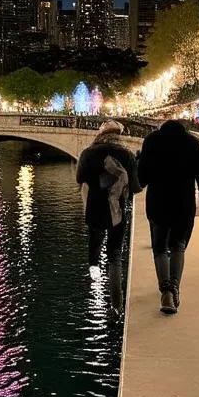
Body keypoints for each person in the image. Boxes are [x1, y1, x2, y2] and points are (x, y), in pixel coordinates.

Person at [137, 119, 199, 315]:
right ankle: (175, 287)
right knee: (178, 245)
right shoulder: (192, 142)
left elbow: (142, 173)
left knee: (160, 247)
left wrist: (140, 183)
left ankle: (166, 291)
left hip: (157, 201)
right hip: (183, 201)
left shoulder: (151, 141)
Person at [76, 120, 142, 315]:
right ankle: (117, 306)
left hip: (95, 206)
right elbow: (137, 187)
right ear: (119, 135)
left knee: (95, 246)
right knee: (114, 256)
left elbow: (80, 178)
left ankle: (93, 280)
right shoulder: (127, 154)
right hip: (118, 211)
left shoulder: (88, 153)